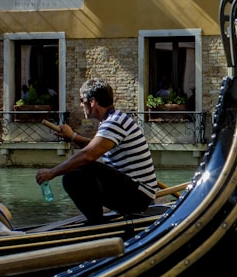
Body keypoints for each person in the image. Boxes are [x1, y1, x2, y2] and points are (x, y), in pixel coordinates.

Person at [35, 78, 157, 223]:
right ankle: (96, 219)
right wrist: (72, 136)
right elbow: (95, 147)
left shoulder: (114, 122)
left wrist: (52, 172)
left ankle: (96, 222)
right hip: (136, 192)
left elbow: (88, 155)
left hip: (139, 197)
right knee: (80, 169)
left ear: (92, 102)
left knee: (75, 174)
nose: (81, 105)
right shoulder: (115, 120)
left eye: (82, 100)